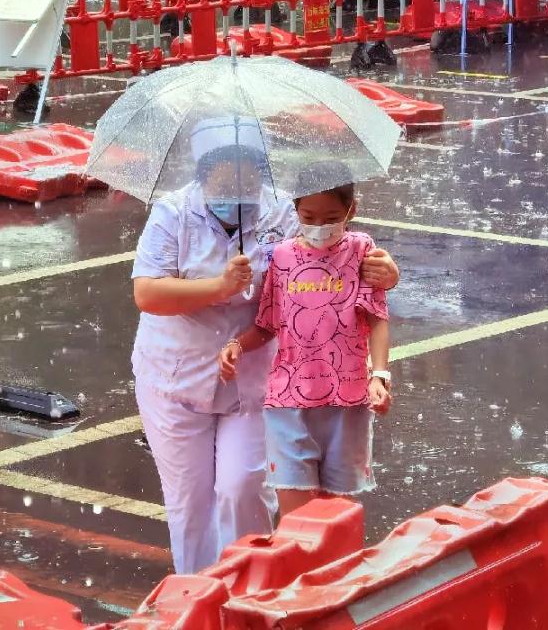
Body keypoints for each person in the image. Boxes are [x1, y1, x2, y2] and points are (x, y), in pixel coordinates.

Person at [131, 118, 399, 574]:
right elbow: (148, 294)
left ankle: (249, 591)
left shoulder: (280, 209)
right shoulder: (173, 213)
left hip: (256, 380)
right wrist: (217, 287)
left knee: (243, 487)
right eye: (227, 172)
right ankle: (200, 598)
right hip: (175, 377)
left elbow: (333, 252)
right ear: (204, 171)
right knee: (189, 502)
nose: (240, 182)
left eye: (251, 171)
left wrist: (386, 273)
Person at [218, 163, 391, 517]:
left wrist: (380, 375)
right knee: (298, 525)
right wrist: (237, 345)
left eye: (330, 217)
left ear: (351, 211)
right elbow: (267, 325)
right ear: (295, 210)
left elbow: (376, 317)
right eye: (308, 216)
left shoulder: (361, 251)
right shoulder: (281, 257)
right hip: (288, 405)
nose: (318, 227)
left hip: (347, 403)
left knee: (336, 524)